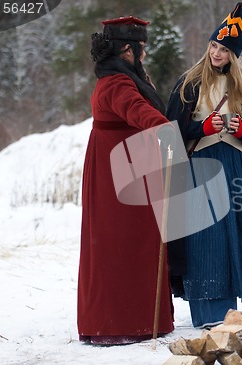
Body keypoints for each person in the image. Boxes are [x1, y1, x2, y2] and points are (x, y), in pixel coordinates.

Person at [166, 3, 242, 328]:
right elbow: (171, 129)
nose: (217, 53)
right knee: (204, 238)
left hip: (237, 170)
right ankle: (207, 313)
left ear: (234, 55)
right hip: (200, 168)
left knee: (233, 237)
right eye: (214, 45)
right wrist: (203, 128)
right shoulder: (188, 84)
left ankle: (230, 313)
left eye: (224, 49)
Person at [78, 16, 174, 345]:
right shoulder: (117, 83)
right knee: (119, 245)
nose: (144, 55)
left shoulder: (123, 76)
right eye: (141, 48)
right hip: (118, 175)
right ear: (127, 50)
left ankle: (138, 318)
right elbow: (135, 109)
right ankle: (117, 322)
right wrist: (163, 129)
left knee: (136, 243)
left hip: (128, 166)